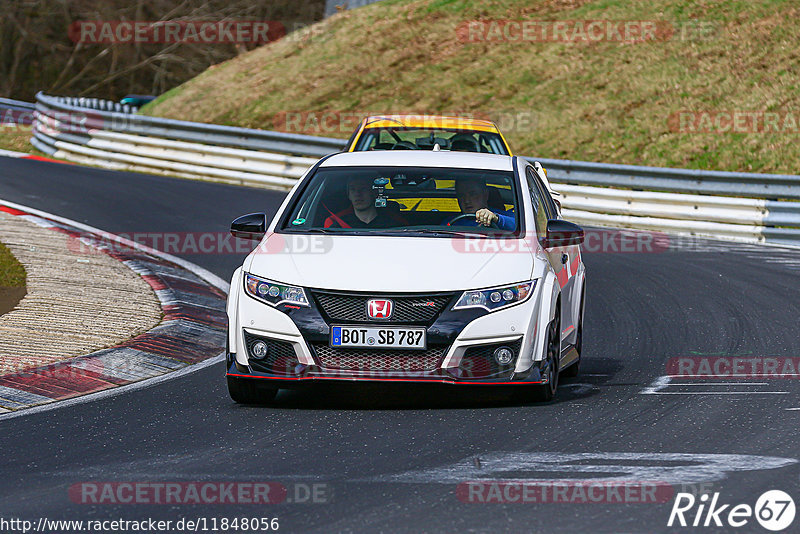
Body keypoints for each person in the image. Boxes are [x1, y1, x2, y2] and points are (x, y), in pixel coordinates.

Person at [323, 176, 407, 228]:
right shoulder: (337, 226)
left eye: (363, 189)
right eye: (353, 189)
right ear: (349, 195)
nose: (357, 194)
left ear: (374, 193)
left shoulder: (393, 225)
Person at [445, 177, 515, 230]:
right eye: (461, 195)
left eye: (472, 194)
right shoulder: (450, 222)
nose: (466, 201)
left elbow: (521, 226)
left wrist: (496, 219)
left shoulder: (503, 217)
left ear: (485, 195)